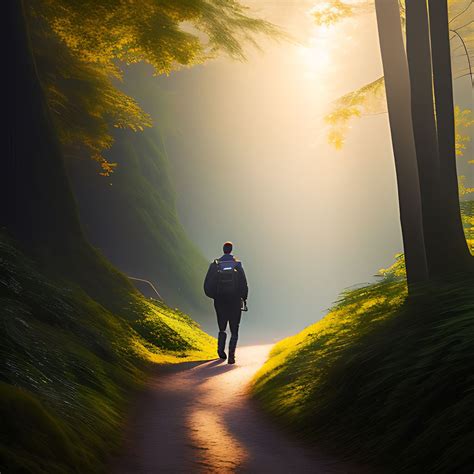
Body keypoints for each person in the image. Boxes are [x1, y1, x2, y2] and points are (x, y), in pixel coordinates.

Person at [203, 241, 248, 364]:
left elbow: (207, 284)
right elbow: (244, 283)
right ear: (231, 250)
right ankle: (231, 355)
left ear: (223, 250)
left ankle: (220, 351)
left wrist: (215, 296)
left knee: (222, 327)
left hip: (220, 300)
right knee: (234, 328)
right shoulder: (237, 264)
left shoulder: (215, 264)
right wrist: (244, 298)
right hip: (234, 300)